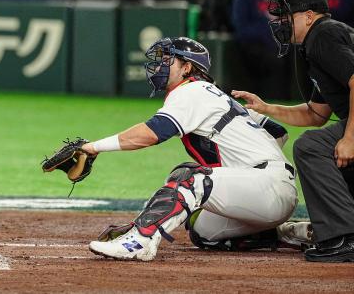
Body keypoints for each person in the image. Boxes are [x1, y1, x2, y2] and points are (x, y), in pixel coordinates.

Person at [78, 37, 311, 261]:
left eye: (168, 59)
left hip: (267, 187)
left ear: (187, 67)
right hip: (268, 189)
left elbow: (150, 134)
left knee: (191, 178)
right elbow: (278, 132)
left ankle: (140, 242)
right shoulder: (213, 95)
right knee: (204, 232)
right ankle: (290, 233)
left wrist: (93, 147)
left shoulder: (192, 91)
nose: (159, 64)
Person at [233, 0, 354, 262]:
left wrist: (350, 138)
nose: (281, 24)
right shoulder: (320, 40)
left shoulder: (323, 34)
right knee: (330, 153)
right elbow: (315, 114)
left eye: (288, 17)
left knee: (311, 147)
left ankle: (344, 237)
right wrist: (267, 107)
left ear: (310, 16)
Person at [231, 0, 290, 99]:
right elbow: (241, 28)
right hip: (252, 45)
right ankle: (272, 101)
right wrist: (268, 32)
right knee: (272, 58)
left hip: (279, 42)